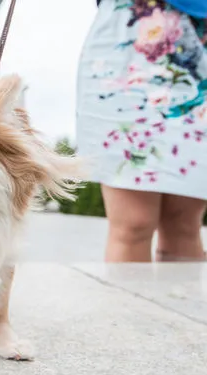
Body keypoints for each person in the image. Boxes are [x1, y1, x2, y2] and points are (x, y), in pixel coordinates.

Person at [77, 0, 207, 262]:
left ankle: (183, 304)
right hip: (128, 43)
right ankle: (125, 305)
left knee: (183, 225)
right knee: (133, 224)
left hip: (200, 39)